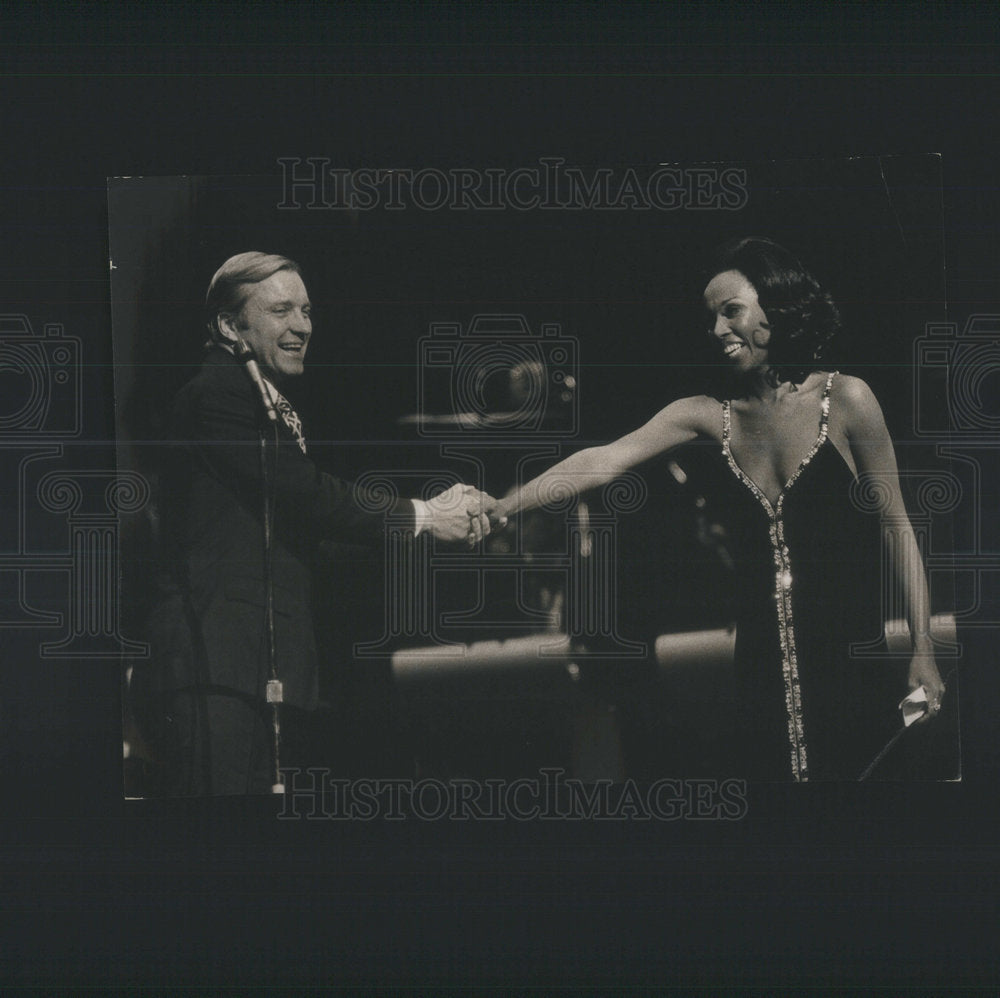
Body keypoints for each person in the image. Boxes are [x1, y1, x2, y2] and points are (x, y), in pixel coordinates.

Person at [495, 237, 946, 781]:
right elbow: (602, 460)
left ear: (775, 308)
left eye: (732, 311)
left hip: (850, 661)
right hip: (757, 669)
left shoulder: (848, 399)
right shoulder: (707, 416)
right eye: (711, 318)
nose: (718, 330)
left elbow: (897, 526)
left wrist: (923, 649)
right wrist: (502, 507)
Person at [131, 252, 498, 796]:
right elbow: (309, 495)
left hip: (264, 672)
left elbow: (312, 535)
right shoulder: (217, 395)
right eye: (281, 310)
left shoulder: (263, 404)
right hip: (217, 668)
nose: (302, 326)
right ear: (230, 326)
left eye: (306, 310)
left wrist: (434, 516)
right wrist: (424, 515)